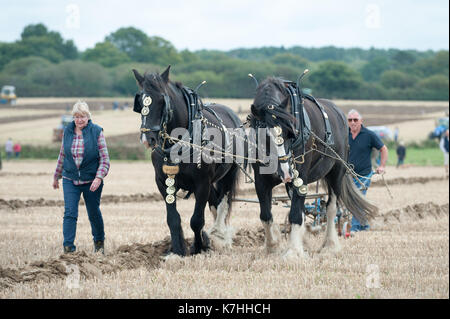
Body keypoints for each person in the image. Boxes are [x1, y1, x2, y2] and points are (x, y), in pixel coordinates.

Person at [53, 100, 110, 254]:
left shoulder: (97, 132)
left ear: (88, 117)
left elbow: (105, 159)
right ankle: (68, 248)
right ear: (73, 118)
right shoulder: (68, 131)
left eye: (83, 116)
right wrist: (56, 176)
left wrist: (98, 177)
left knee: (93, 212)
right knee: (70, 212)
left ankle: (99, 242)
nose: (79, 120)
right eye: (77, 117)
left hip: (91, 180)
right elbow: (62, 154)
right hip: (70, 178)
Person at [347, 109, 388, 232]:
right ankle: (364, 225)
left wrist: (382, 166)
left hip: (363, 175)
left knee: (356, 199)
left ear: (361, 121)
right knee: (350, 199)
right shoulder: (343, 134)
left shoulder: (369, 135)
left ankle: (355, 228)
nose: (353, 122)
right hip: (346, 174)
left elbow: (384, 149)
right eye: (350, 120)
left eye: (355, 120)